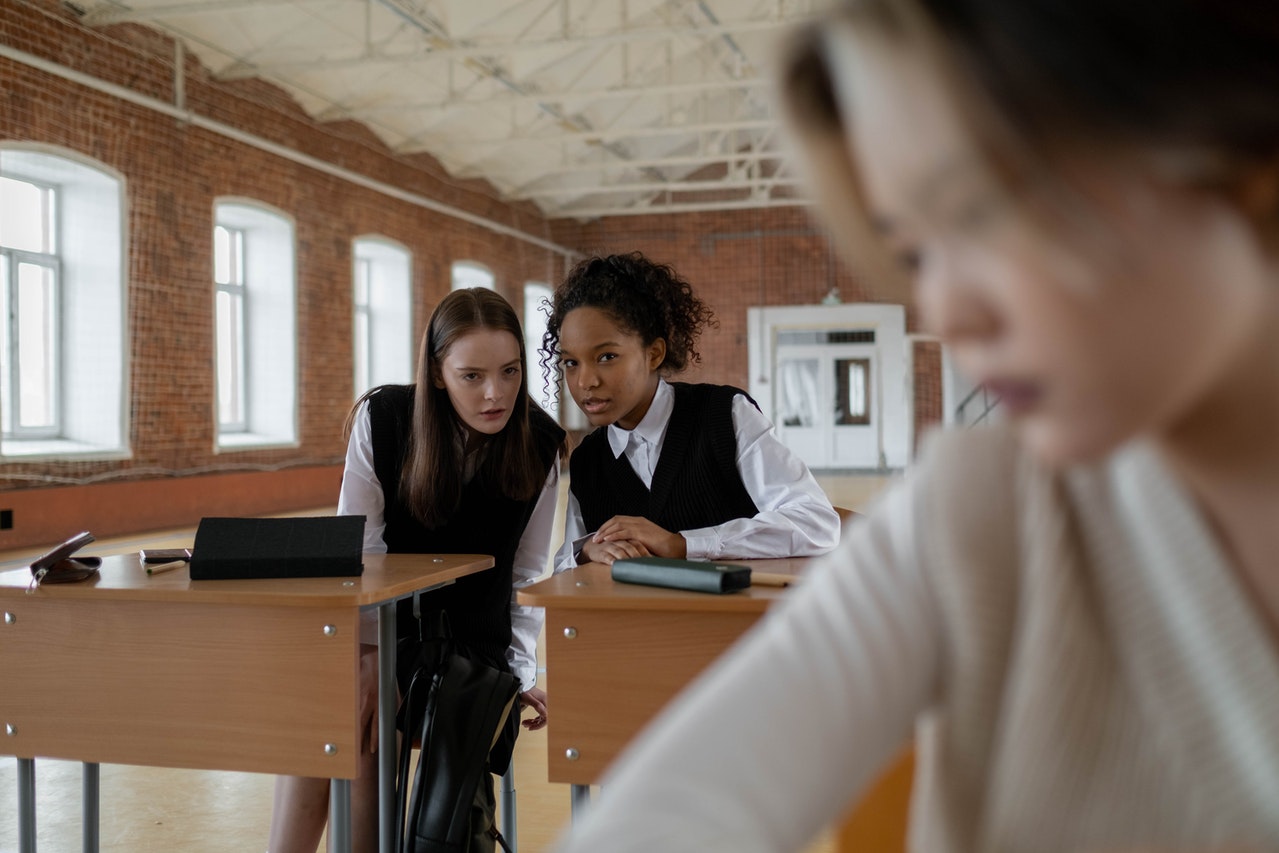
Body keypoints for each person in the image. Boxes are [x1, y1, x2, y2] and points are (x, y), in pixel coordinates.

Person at [553, 1, 1279, 851]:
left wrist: (682, 542)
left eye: (979, 212)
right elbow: (684, 802)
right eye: (914, 251)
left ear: (1234, 155)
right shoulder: (977, 506)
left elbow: (805, 519)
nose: (941, 310)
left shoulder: (736, 421)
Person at [269, 287, 566, 853]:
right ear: (436, 373)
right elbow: (360, 552)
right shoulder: (383, 419)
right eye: (471, 376)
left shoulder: (542, 443)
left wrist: (522, 674)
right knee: (326, 716)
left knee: (365, 732)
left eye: (510, 372)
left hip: (475, 653)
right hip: (389, 633)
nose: (495, 393)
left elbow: (527, 573)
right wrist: (368, 660)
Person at [542, 251, 842, 571]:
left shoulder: (724, 417)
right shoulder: (588, 461)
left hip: (740, 619)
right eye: (570, 363)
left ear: (654, 353)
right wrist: (586, 552)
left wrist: (685, 544)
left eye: (606, 357)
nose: (585, 381)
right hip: (639, 621)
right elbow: (564, 565)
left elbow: (817, 523)